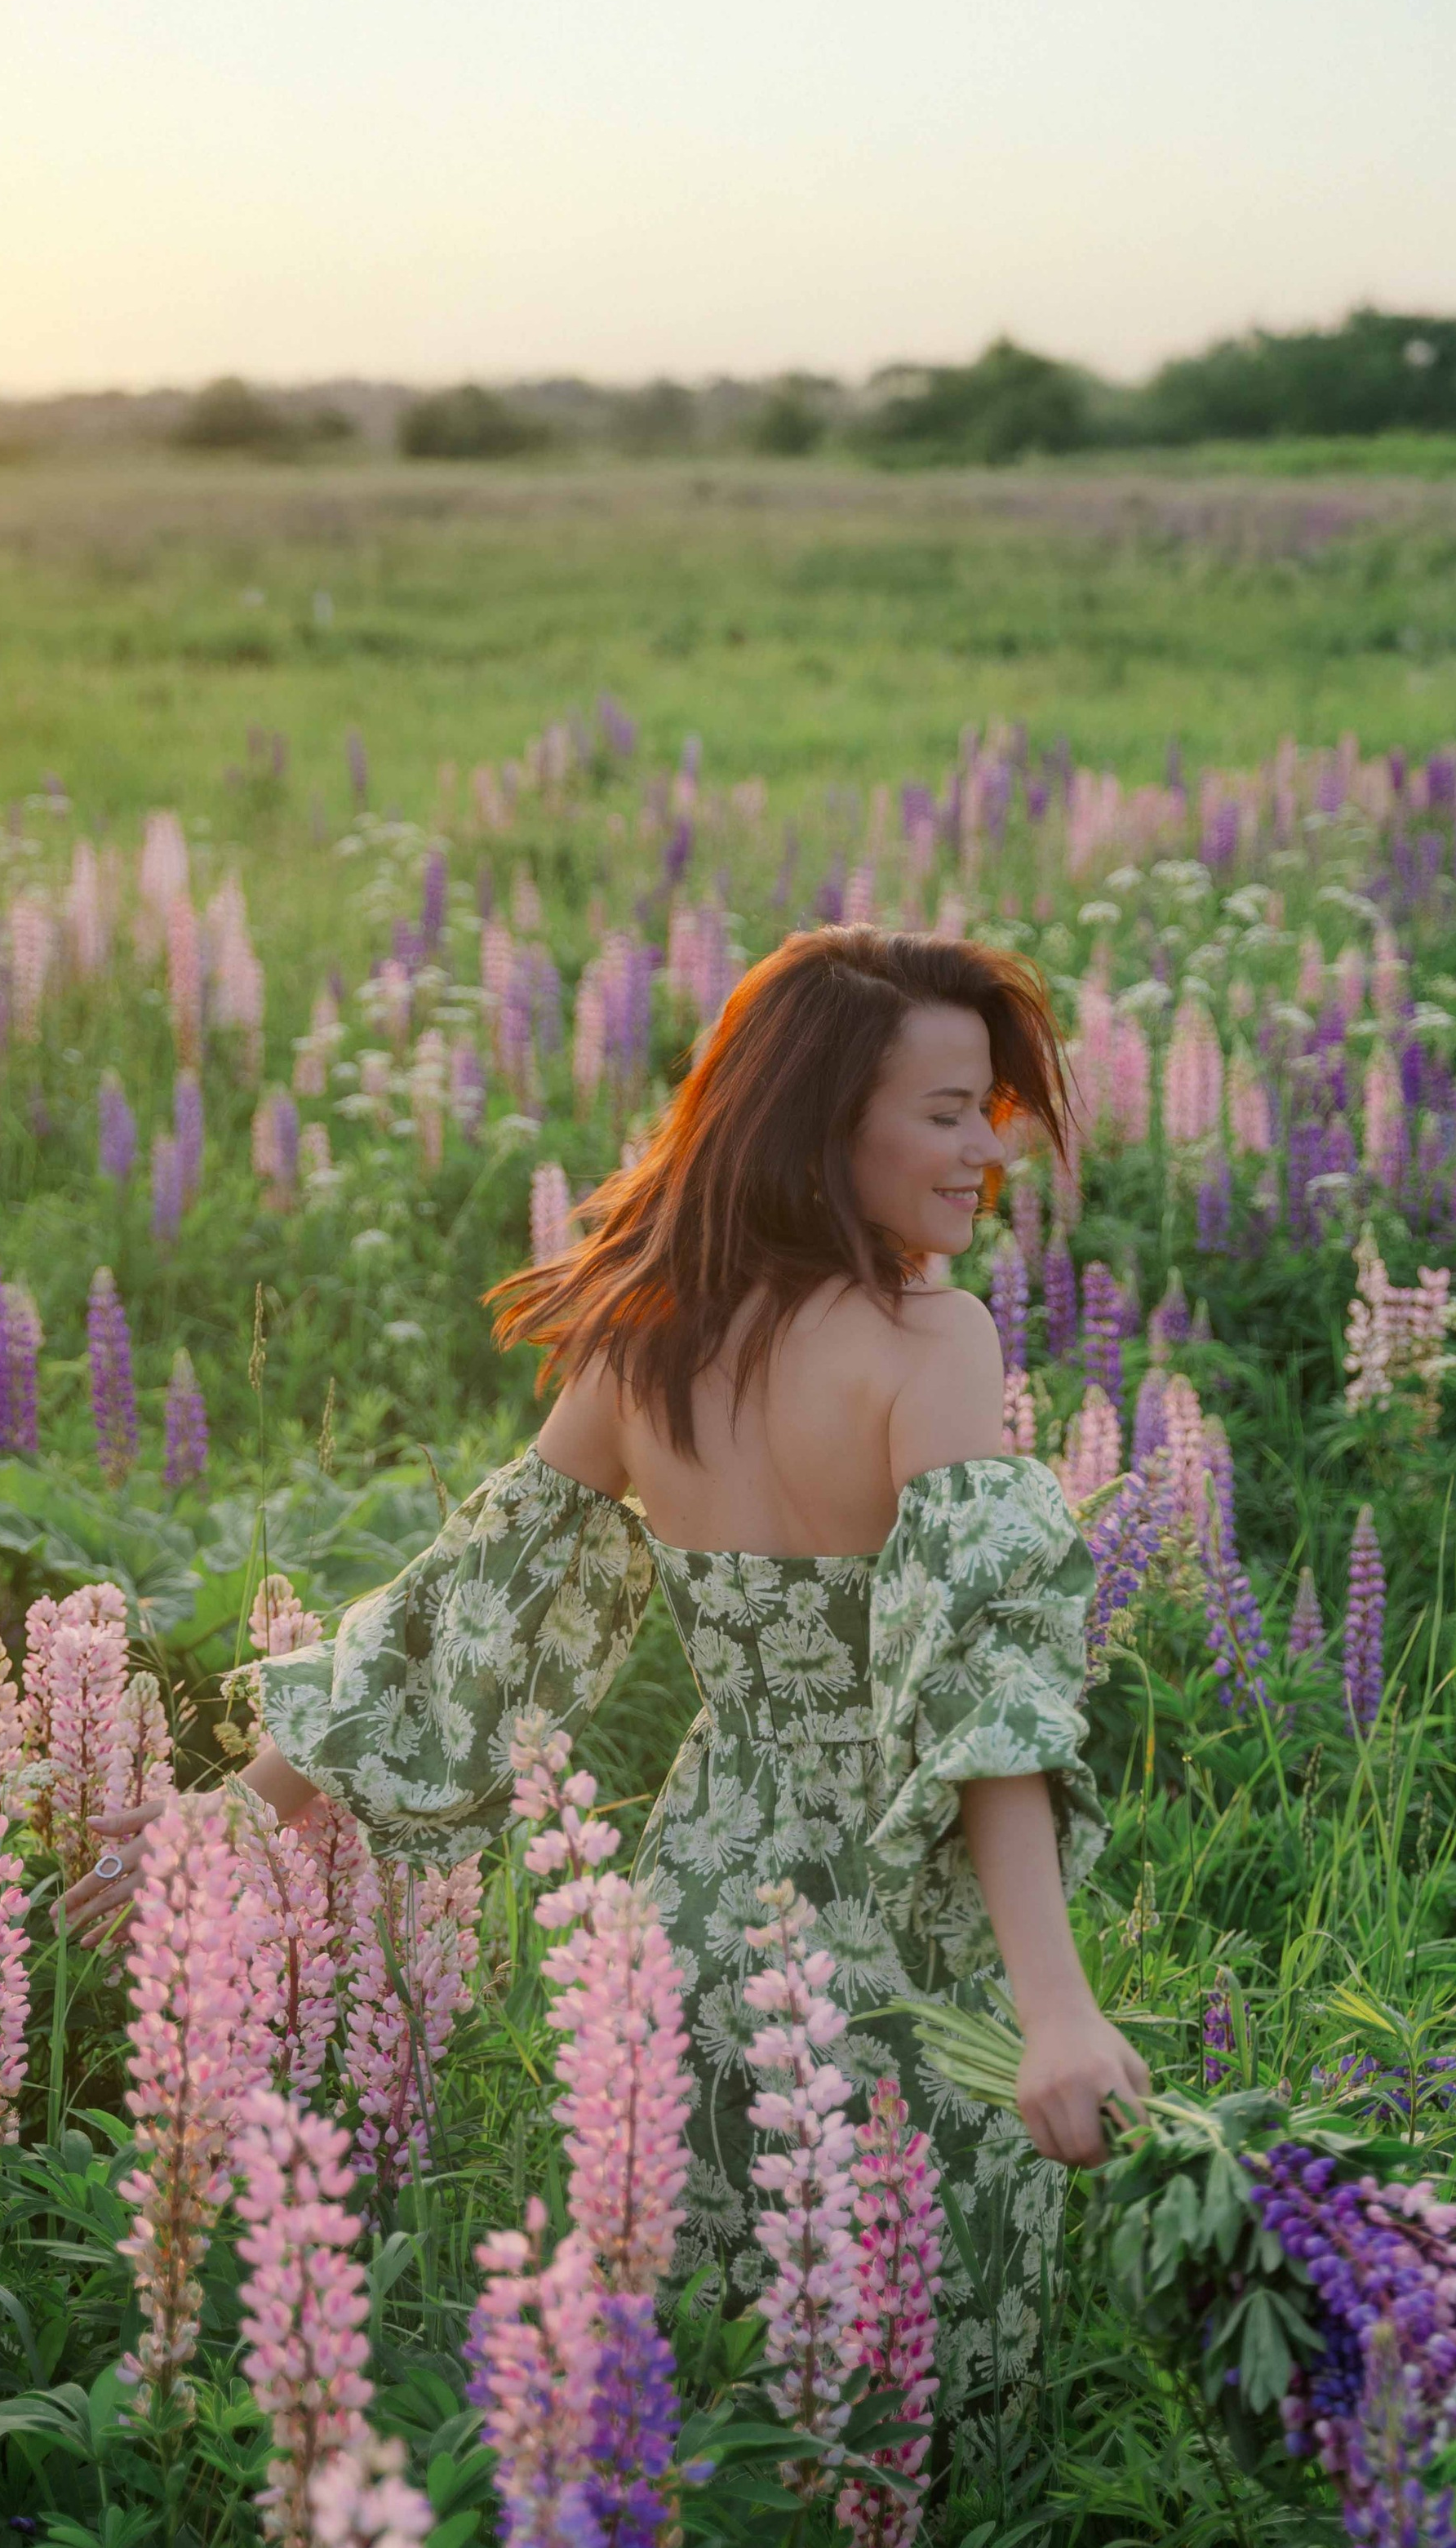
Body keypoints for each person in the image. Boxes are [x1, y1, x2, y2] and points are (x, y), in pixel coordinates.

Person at [69, 924, 1149, 2403]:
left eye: (991, 1111)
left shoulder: (652, 1342)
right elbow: (982, 1695)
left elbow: (474, 1608)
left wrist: (240, 1809)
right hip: (899, 1965)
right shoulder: (932, 1341)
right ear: (830, 1126)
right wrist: (1057, 2010)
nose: (987, 1153)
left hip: (691, 1936)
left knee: (690, 2391)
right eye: (947, 1112)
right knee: (905, 2400)